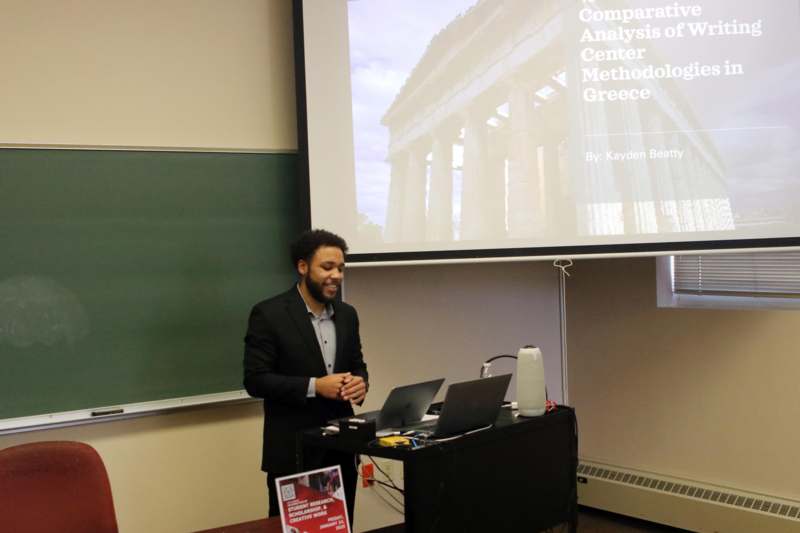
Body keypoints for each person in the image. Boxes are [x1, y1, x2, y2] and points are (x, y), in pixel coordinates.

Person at [243, 229, 368, 523]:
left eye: (340, 268)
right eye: (327, 267)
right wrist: (315, 386)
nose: (336, 275)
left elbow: (358, 365)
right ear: (302, 267)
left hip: (340, 448)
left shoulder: (347, 314)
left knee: (340, 528)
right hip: (294, 451)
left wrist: (359, 384)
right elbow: (255, 380)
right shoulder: (269, 314)